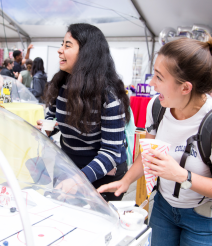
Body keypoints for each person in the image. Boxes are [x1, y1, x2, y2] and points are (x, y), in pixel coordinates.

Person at [98, 37, 212, 245]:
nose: (152, 83)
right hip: (164, 208)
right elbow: (148, 153)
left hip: (206, 219)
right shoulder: (157, 106)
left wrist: (182, 176)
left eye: (159, 77)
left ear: (185, 88)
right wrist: (125, 181)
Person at [36, 23, 131, 201]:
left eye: (67, 45)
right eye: (61, 44)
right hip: (69, 168)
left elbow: (110, 153)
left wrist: (79, 179)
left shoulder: (109, 97)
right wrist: (48, 128)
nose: (59, 50)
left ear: (87, 53)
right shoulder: (61, 84)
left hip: (103, 174)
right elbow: (53, 118)